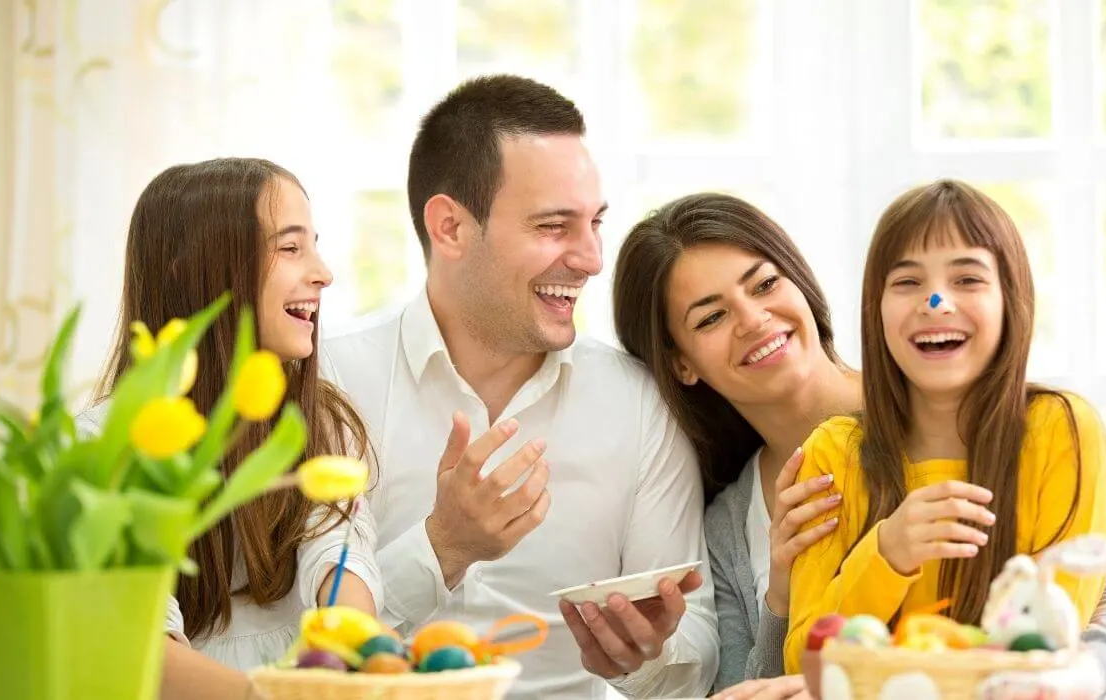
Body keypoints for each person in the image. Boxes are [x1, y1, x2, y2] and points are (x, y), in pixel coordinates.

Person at [611, 191, 1106, 697]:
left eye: (765, 284)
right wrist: (782, 593)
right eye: (711, 317)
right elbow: (752, 687)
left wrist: (1077, 670)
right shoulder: (730, 521)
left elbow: (1100, 595)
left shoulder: (955, 406)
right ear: (681, 363)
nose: (753, 319)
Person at [320, 75, 718, 699]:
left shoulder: (638, 402)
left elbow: (694, 646)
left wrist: (644, 655)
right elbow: (298, 651)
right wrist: (443, 547)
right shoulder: (332, 382)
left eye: (595, 223)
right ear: (449, 227)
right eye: (554, 226)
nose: (591, 258)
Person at [780, 179, 1106, 676]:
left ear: (1011, 300)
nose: (936, 303)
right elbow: (805, 664)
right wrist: (887, 553)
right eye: (908, 282)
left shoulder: (1062, 430)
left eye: (967, 279)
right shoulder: (833, 452)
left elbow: (1048, 646)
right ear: (875, 310)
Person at [84, 158, 381, 700]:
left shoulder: (318, 422)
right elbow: (141, 647)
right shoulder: (100, 451)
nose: (323, 272)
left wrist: (364, 659)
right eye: (290, 248)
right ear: (193, 267)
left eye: (313, 244)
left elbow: (337, 556)